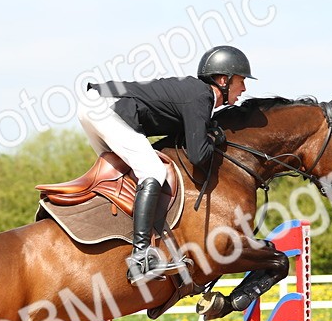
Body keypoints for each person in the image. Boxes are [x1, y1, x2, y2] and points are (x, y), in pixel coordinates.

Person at [78, 45, 254, 284]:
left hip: (96, 105)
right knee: (152, 171)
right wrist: (216, 139)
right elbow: (198, 155)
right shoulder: (201, 96)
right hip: (105, 108)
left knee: (127, 177)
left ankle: (114, 241)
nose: (244, 88)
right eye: (241, 81)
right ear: (223, 80)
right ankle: (141, 257)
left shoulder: (196, 96)